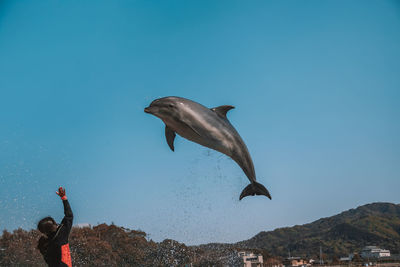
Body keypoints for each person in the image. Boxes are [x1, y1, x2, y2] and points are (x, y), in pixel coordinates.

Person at [37, 187, 73, 267]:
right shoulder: (61, 235)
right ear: (54, 225)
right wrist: (64, 198)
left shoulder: (43, 244)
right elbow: (69, 216)